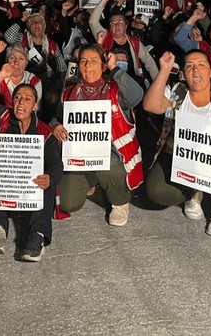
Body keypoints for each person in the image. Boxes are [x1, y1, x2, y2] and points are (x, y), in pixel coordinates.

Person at [142, 50, 211, 237]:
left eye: (201, 65)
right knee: (156, 190)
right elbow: (150, 106)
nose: (195, 70)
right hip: (181, 159)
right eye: (189, 66)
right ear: (183, 73)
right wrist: (164, 69)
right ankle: (190, 194)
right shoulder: (178, 92)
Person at [51, 44, 144, 226]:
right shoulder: (70, 92)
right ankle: (91, 179)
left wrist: (114, 68)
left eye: (93, 61)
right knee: (68, 202)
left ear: (103, 66)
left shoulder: (116, 91)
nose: (87, 66)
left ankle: (120, 202)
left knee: (106, 164)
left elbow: (137, 95)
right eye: (83, 61)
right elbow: (56, 117)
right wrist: (55, 126)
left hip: (113, 155)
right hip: (81, 156)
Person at [0, 78, 62, 261]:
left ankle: (37, 236)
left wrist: (50, 178)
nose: (21, 103)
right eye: (17, 98)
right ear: (12, 102)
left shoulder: (44, 132)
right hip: (6, 191)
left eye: (27, 99)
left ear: (35, 106)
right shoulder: (2, 119)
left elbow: (55, 163)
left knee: (46, 183)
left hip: (30, 196)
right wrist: (3, 73)